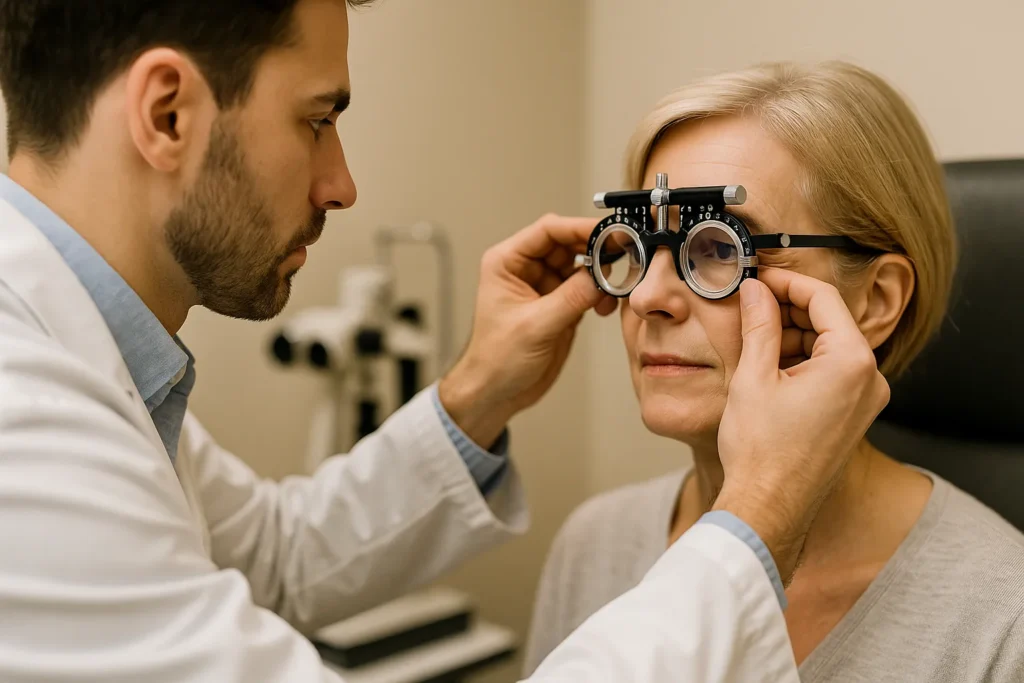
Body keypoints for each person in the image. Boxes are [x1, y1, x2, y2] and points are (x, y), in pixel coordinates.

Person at [0, 2, 890, 681]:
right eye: (318, 119)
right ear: (166, 114)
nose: (342, 183)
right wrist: (762, 515)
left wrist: (477, 394)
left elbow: (274, 552)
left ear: (878, 298)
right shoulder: (24, 421)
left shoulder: (93, 367)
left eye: (715, 249)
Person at [524, 61, 1024, 682]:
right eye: (633, 245)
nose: (647, 296)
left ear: (875, 301)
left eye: (719, 247)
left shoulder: (1003, 622)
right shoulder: (592, 542)